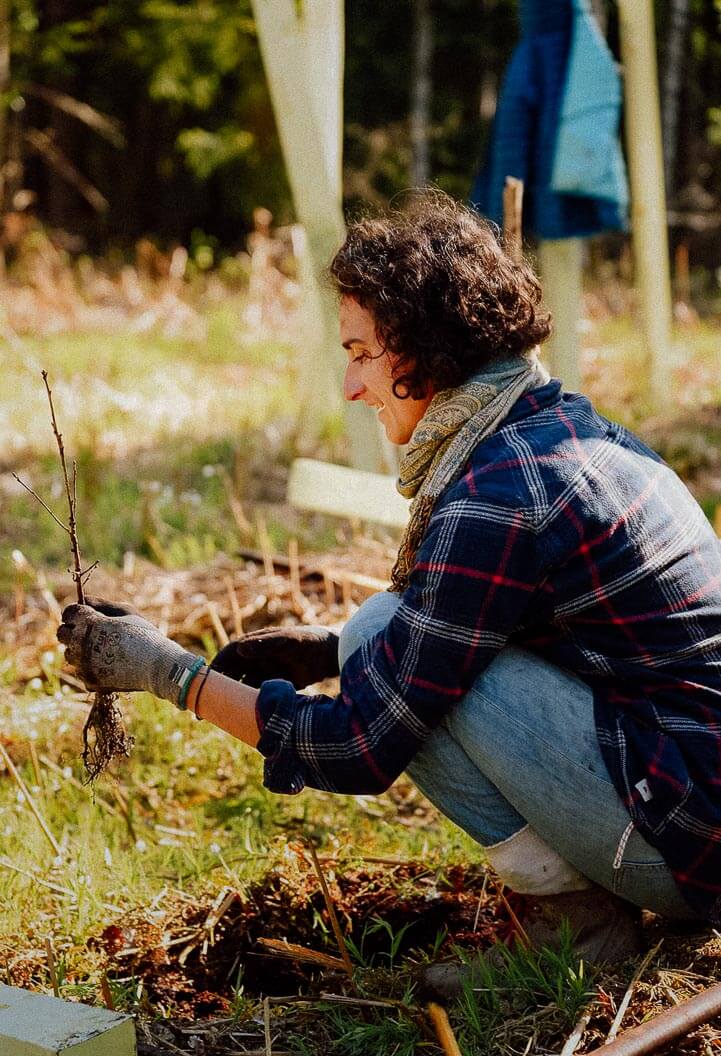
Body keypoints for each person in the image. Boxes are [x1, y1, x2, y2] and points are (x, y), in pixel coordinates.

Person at [58, 192, 721, 999]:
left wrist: (171, 675)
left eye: (360, 352)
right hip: (690, 784)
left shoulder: (498, 496)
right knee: (377, 629)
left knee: (387, 650)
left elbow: (362, 748)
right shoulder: (549, 427)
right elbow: (510, 622)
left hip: (691, 846)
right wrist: (329, 646)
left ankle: (580, 927)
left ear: (425, 349)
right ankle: (586, 913)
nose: (348, 385)